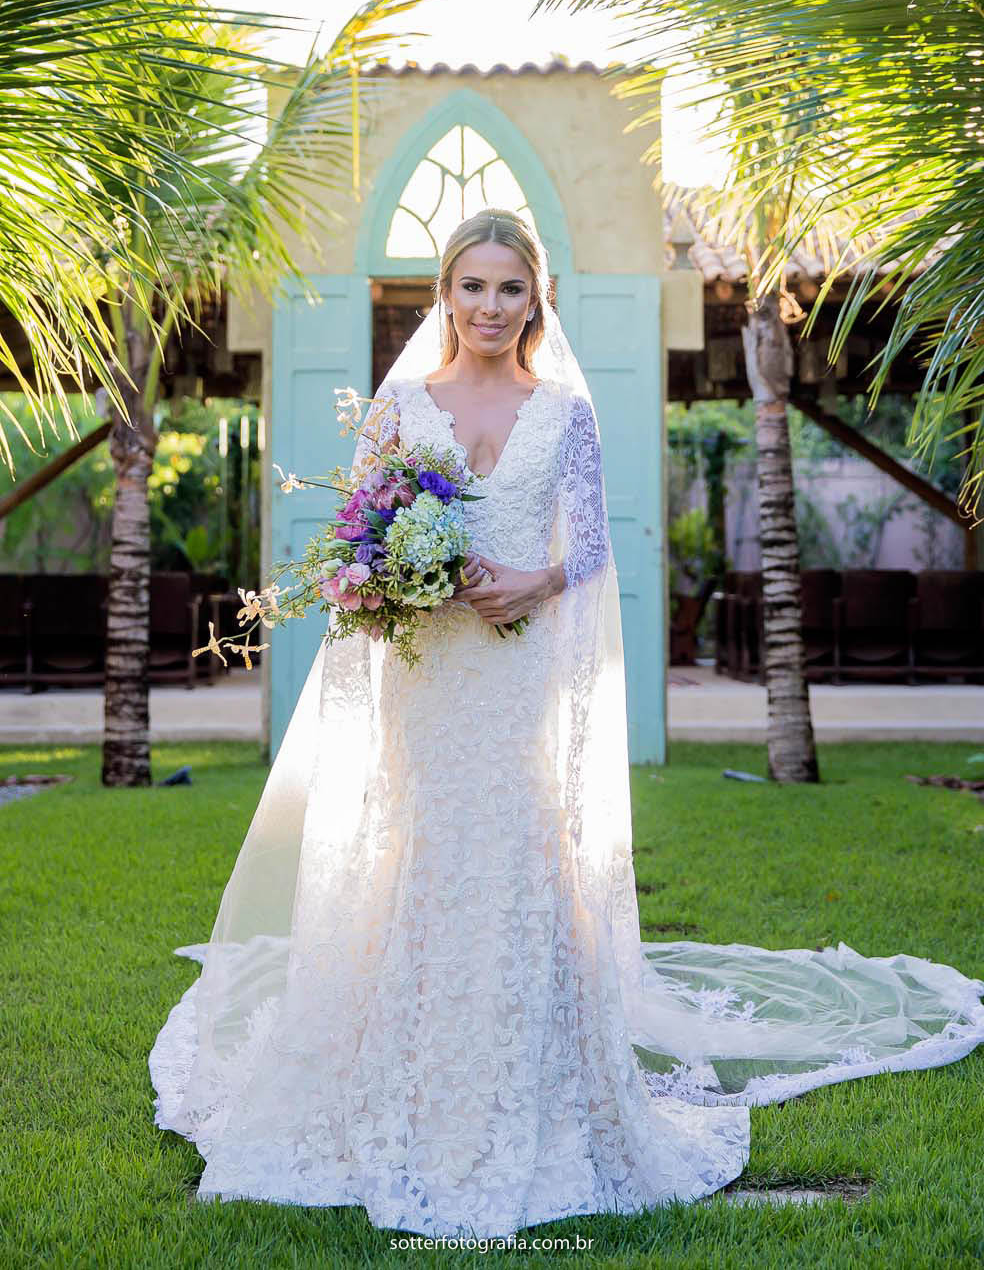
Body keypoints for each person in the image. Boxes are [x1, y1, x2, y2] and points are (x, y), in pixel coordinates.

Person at [150, 207, 984, 1240]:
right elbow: (350, 547)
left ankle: (535, 1090)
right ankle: (402, 1095)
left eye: (511, 288)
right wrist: (406, 580)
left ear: (535, 297)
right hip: (432, 681)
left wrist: (531, 581)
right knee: (420, 865)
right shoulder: (400, 404)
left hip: (518, 675)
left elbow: (589, 550)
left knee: (518, 864)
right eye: (473, 287)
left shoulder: (565, 412)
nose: (491, 307)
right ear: (444, 295)